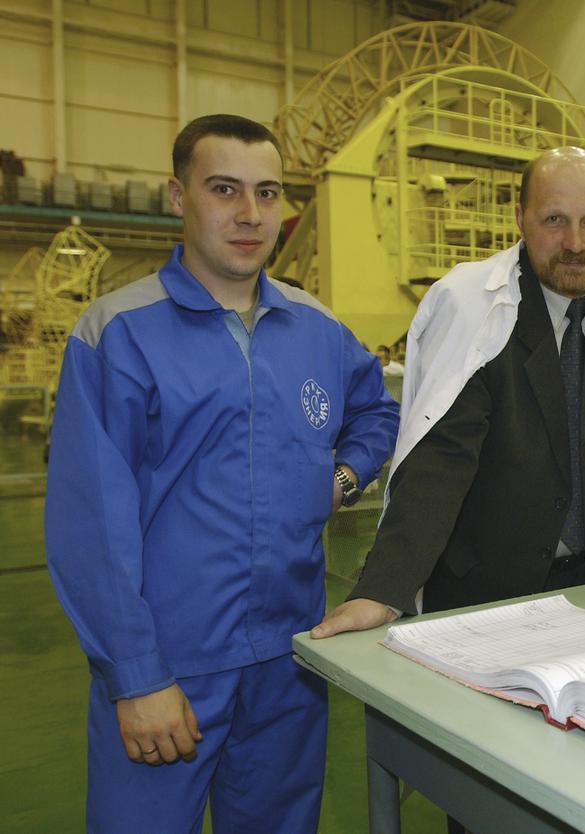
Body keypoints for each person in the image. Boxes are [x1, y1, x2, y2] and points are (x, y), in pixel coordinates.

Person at [45, 114, 399, 832]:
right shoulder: (117, 335)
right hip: (169, 664)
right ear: (179, 197)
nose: (249, 215)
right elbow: (91, 528)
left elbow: (377, 414)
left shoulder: (318, 329)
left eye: (267, 193)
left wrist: (342, 480)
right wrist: (136, 676)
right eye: (224, 189)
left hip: (291, 663)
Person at [311, 146, 585, 637]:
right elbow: (442, 457)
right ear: (519, 219)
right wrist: (384, 588)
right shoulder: (477, 309)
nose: (574, 242)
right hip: (481, 593)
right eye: (553, 219)